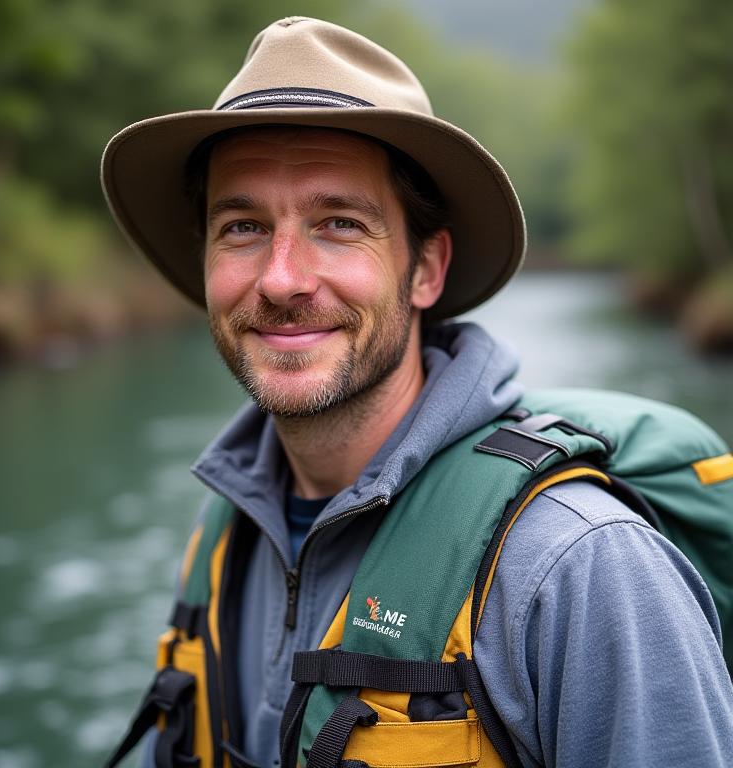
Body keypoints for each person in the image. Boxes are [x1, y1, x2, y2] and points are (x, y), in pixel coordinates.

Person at [102, 16, 733, 768]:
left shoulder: (581, 567)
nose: (280, 279)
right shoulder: (224, 534)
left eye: (338, 223)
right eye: (242, 227)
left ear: (427, 270)